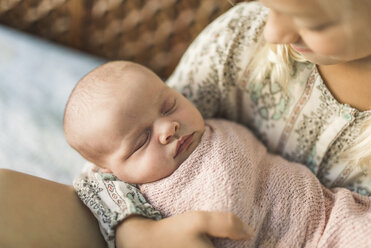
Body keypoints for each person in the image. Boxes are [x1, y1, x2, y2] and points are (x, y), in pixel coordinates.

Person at [1, 0, 370, 247]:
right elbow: (102, 170)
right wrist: (139, 232)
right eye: (268, 3)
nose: (274, 32)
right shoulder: (244, 39)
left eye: (313, 22)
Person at [66, 60, 370, 248]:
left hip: (333, 219)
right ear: (110, 171)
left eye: (169, 105)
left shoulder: (215, 120)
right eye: (141, 140)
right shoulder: (139, 200)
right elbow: (90, 189)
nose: (168, 127)